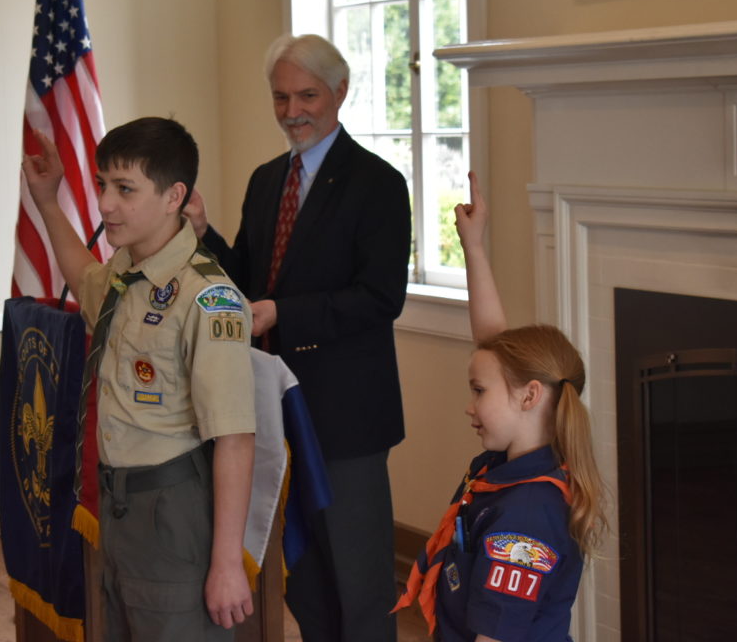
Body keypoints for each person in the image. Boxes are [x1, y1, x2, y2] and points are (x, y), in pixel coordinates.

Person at [185, 33, 412, 642]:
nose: (292, 112)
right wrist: (204, 236)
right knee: (304, 580)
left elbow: (380, 299)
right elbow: (250, 286)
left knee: (360, 583)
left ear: (340, 92)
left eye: (307, 95)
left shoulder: (378, 184)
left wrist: (282, 313)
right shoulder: (266, 181)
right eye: (281, 97)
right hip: (275, 409)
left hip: (347, 417)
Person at [21, 117, 257, 641]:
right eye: (102, 184)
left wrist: (225, 565)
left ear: (174, 196)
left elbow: (236, 439)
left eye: (125, 189)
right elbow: (82, 275)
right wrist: (46, 201)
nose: (105, 203)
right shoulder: (124, 274)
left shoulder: (207, 296)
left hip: (172, 505)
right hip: (119, 502)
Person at [393, 171, 608, 641]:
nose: (470, 407)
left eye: (479, 392)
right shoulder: (517, 466)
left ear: (530, 395)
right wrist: (473, 246)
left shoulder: (526, 516)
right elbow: (494, 347)